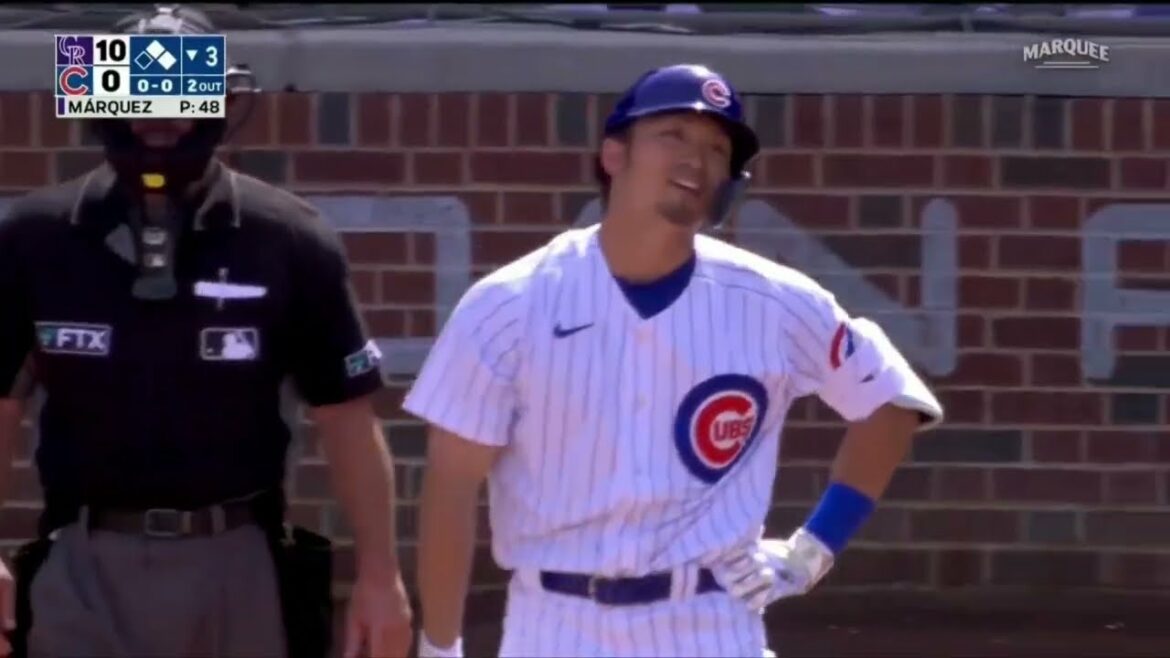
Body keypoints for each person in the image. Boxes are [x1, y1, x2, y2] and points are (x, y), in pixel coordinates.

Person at [404, 63, 945, 657]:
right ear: (614, 155)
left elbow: (891, 403)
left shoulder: (773, 300)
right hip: (554, 624)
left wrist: (810, 551)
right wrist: (440, 649)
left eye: (717, 148)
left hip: (711, 624)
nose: (697, 159)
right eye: (673, 136)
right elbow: (452, 487)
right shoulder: (510, 304)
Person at [0, 6, 413, 658]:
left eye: (180, 91)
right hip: (82, 560)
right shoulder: (36, 236)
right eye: (140, 91)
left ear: (219, 99)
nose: (160, 114)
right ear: (103, 97)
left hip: (236, 557)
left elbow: (348, 418)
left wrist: (380, 576)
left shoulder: (289, 238)